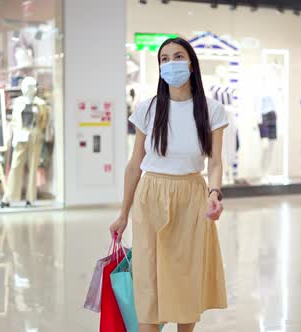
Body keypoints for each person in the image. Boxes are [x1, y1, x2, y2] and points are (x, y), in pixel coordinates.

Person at [109, 37, 229, 332]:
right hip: (151, 194)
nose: (171, 63)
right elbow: (134, 165)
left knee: (186, 274)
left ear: (191, 63)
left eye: (178, 56)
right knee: (148, 276)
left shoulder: (211, 110)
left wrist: (214, 193)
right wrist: (123, 213)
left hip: (192, 196)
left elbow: (214, 162)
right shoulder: (147, 109)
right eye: (164, 58)